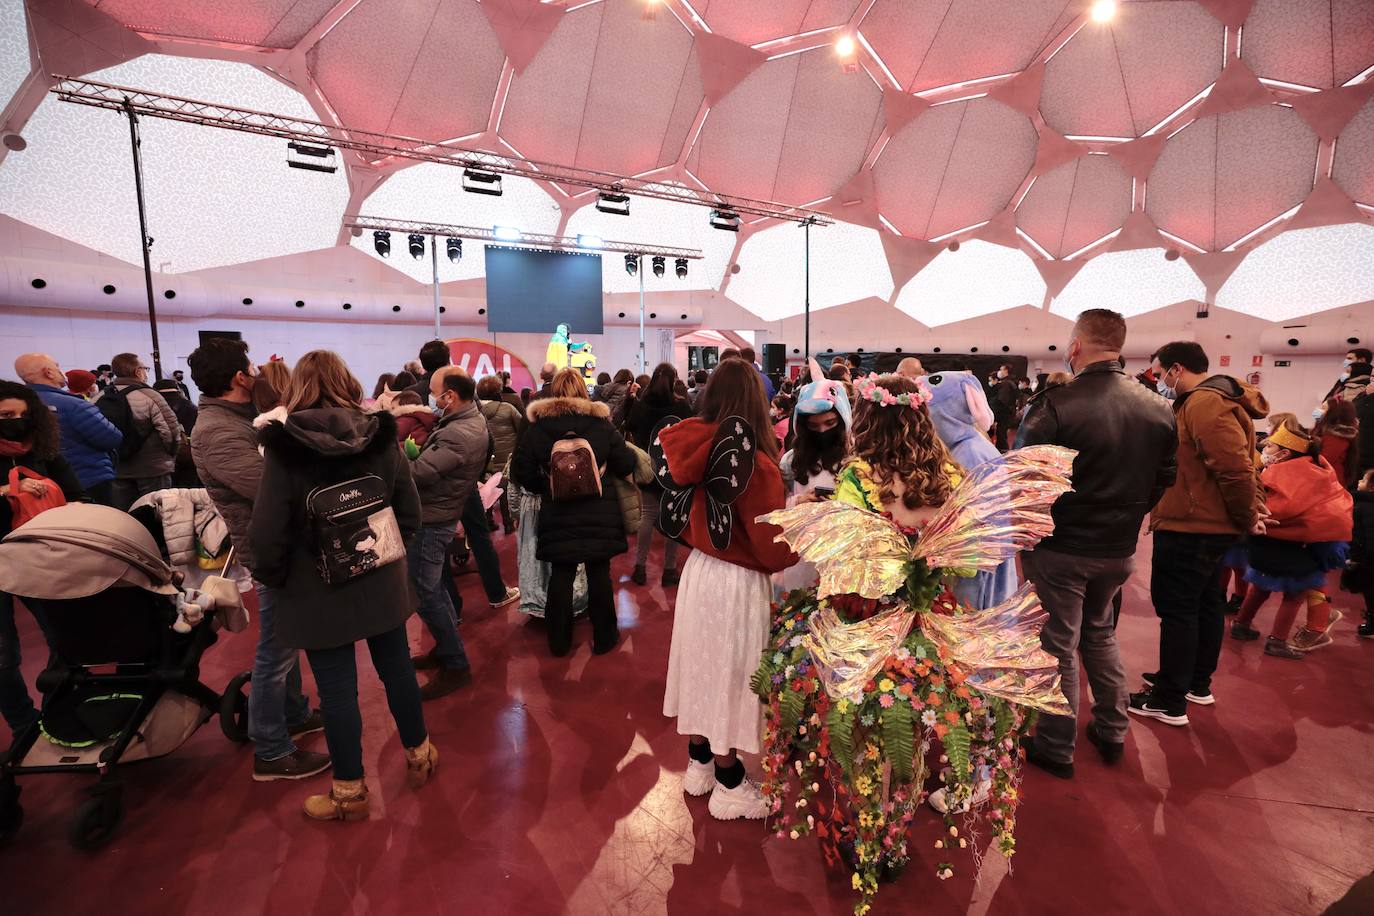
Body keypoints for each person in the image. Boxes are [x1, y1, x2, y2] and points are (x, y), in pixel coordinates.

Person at [250, 350, 435, 821]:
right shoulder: (383, 437)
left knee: (336, 692)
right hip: (380, 575)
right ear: (349, 383)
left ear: (299, 388)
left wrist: (276, 579)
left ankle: (349, 792)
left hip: (316, 591)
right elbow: (409, 513)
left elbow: (268, 531)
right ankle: (421, 755)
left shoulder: (285, 448)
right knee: (397, 671)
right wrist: (386, 555)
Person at [1015, 309, 1177, 776]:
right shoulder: (1158, 406)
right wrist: (1125, 518)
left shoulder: (1055, 403)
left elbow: (1026, 479)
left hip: (1062, 546)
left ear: (1076, 347)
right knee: (1100, 633)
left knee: (1059, 645)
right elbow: (1163, 478)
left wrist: (1030, 535)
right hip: (1118, 548)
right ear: (1120, 347)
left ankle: (1055, 746)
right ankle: (1111, 729)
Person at [187, 338, 330, 782]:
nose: (257, 372)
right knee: (276, 650)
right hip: (270, 551)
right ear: (238, 378)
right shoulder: (218, 431)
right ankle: (270, 748)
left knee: (285, 640)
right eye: (250, 366)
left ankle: (293, 713)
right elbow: (271, 489)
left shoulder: (237, 420)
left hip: (278, 545)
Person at [658, 359, 795, 821]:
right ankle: (731, 782)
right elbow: (772, 548)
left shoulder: (687, 444)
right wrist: (806, 530)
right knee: (732, 676)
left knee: (702, 667)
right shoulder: (754, 462)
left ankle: (699, 763)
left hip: (700, 571)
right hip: (737, 580)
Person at [1131, 341, 1268, 727]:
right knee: (1204, 604)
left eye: (1160, 374)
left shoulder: (1205, 403)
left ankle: (1170, 699)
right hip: (1204, 522)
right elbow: (1244, 463)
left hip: (1193, 524)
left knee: (1178, 610)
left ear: (1178, 368)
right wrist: (1250, 510)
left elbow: (1235, 467)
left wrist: (1247, 516)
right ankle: (1193, 682)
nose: (1159, 382)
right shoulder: (1214, 401)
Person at [512, 368, 636, 656]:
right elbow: (625, 462)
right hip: (599, 510)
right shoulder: (601, 424)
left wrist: (550, 485)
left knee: (561, 573)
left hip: (558, 512)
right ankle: (605, 638)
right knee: (599, 573)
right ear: (583, 390)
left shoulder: (539, 427)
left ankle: (558, 641)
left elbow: (523, 471)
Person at [1229, 419, 1351, 657]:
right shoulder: (1317, 474)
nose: (1265, 447)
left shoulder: (1270, 472)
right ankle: (1277, 641)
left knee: (1260, 586)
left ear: (1284, 453)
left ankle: (1241, 625)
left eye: (1271, 446)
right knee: (1294, 596)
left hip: (1263, 544)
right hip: (1295, 550)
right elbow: (1327, 511)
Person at [0, 381, 80, 740]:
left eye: (23, 415)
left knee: (64, 638)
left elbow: (77, 495)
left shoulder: (44, 452)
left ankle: (57, 712)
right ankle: (23, 725)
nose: (17, 422)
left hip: (40, 556)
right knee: (3, 655)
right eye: (6, 416)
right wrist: (7, 492)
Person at [404, 368, 490, 700]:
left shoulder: (459, 432)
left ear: (449, 396)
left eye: (434, 391)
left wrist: (397, 459)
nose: (431, 397)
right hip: (437, 513)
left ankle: (455, 662)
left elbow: (421, 474)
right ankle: (445, 648)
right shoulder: (465, 421)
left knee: (424, 592)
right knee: (433, 588)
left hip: (433, 517)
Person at [775, 365, 851, 593]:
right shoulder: (792, 460)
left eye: (830, 424)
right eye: (814, 426)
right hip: (801, 552)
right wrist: (798, 501)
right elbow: (775, 505)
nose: (822, 431)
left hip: (842, 550)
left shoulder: (856, 458)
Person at [16, 352, 122, 507]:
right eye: (57, 366)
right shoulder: (73, 405)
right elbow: (111, 437)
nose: (62, 372)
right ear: (49, 372)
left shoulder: (17, 404)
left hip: (40, 485)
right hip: (89, 479)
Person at [626, 363, 692, 587]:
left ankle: (640, 567)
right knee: (671, 517)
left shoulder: (642, 406)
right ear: (674, 380)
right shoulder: (681, 406)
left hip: (648, 467)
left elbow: (630, 427)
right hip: (673, 468)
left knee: (648, 515)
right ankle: (669, 569)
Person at [100, 353, 183, 510]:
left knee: (125, 515)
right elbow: (170, 432)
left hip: (117, 468)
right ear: (138, 371)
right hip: (152, 468)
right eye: (145, 368)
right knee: (158, 514)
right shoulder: (150, 396)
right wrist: (170, 455)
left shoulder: (101, 396)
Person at [478, 375, 524, 534]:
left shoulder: (476, 412)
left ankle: (489, 521)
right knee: (505, 488)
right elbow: (522, 428)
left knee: (486, 488)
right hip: (507, 457)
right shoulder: (508, 408)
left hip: (485, 458)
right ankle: (509, 523)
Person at [1348, 470, 1374, 638]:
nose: (1359, 481)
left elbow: (1366, 535)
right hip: (1367, 557)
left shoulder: (1364, 507)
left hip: (1367, 559)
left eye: (1363, 480)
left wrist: (1356, 557)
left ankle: (1372, 622)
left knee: (1370, 591)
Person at [1314, 400, 1359, 488]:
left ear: (1333, 414)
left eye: (1323, 408)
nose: (1318, 410)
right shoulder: (1324, 431)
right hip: (1324, 478)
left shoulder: (1336, 437)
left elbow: (1324, 460)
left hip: (1329, 481)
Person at [989, 364, 1018, 451]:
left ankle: (1003, 454)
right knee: (1001, 435)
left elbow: (1002, 400)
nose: (999, 371)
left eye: (1001, 369)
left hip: (1003, 414)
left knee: (1001, 436)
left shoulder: (1005, 384)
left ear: (1006, 371)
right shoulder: (1011, 382)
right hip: (1007, 413)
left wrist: (994, 415)